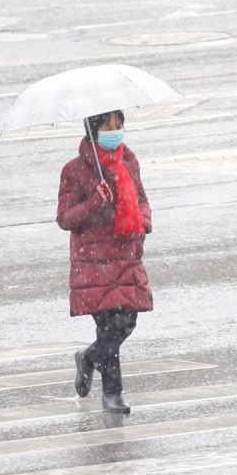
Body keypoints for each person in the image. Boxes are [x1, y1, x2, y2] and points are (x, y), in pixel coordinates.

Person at [57, 110, 152, 414]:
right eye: (109, 127)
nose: (116, 132)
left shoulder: (129, 162)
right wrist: (96, 201)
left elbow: (141, 198)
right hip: (94, 262)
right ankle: (113, 393)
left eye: (120, 125)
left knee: (127, 322)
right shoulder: (74, 170)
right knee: (110, 328)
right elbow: (65, 218)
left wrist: (145, 221)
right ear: (93, 131)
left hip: (126, 256)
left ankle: (87, 358)